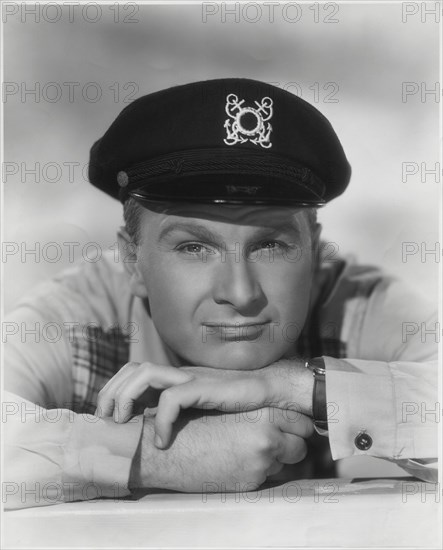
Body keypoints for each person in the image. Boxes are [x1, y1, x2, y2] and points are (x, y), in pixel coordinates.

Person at [4, 78, 437, 511]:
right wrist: (152, 455)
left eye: (271, 245)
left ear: (313, 249)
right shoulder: (78, 319)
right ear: (133, 261)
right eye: (194, 247)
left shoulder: (353, 306)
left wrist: (296, 387)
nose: (240, 292)